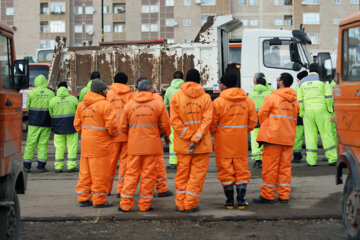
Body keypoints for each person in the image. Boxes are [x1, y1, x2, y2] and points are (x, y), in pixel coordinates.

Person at [119, 79, 171, 212]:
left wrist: (133, 134)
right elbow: (165, 125)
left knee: (131, 174)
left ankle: (125, 204)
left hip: (134, 146)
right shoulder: (158, 104)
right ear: (149, 89)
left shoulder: (129, 105)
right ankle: (145, 205)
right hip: (152, 146)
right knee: (148, 176)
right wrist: (160, 134)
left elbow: (122, 127)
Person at [211, 73, 257, 209]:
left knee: (226, 171)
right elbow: (253, 122)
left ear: (224, 85)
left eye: (220, 83)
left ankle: (230, 201)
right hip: (240, 143)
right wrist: (242, 131)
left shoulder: (218, 102)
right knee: (242, 171)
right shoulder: (247, 101)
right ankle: (241, 200)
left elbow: (212, 124)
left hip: (222, 144)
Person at [170, 69, 213, 213]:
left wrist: (188, 136)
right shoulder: (206, 98)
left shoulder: (176, 97)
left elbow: (174, 122)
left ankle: (180, 204)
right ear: (199, 80)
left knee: (182, 175)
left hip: (183, 145)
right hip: (201, 145)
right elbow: (208, 121)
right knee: (197, 177)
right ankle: (190, 204)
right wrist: (196, 138)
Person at [253, 73, 299, 204]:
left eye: (278, 79)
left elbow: (261, 114)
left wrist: (268, 127)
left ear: (281, 82)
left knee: (270, 168)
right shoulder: (294, 100)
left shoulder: (272, 97)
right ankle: (284, 195)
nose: (277, 81)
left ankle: (267, 195)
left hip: (273, 138)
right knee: (285, 168)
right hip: (288, 138)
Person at [74, 79, 118, 208]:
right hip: (100, 144)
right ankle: (99, 200)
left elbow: (77, 125)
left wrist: (87, 133)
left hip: (86, 144)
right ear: (101, 91)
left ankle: (83, 198)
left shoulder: (81, 105)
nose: (107, 92)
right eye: (105, 90)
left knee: (85, 173)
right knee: (99, 173)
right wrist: (113, 134)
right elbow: (112, 126)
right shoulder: (105, 105)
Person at [134, 77, 173, 198]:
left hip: (135, 140)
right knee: (158, 165)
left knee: (132, 169)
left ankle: (124, 194)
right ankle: (161, 189)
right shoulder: (157, 99)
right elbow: (164, 121)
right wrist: (166, 135)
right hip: (153, 139)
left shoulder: (132, 99)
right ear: (149, 88)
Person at [298, 63, 337, 166]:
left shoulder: (302, 82)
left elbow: (300, 100)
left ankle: (311, 161)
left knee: (310, 136)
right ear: (319, 70)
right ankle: (332, 159)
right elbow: (328, 96)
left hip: (308, 112)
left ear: (309, 70)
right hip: (322, 110)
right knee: (326, 134)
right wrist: (329, 109)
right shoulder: (323, 80)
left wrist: (302, 112)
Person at [105, 72, 132, 196]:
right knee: (125, 163)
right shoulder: (130, 95)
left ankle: (106, 189)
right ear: (126, 81)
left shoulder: (109, 94)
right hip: (126, 133)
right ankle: (121, 190)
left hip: (112, 133)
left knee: (110, 163)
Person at [23, 74, 55, 173]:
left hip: (33, 122)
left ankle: (26, 166)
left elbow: (28, 107)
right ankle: (41, 166)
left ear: (36, 82)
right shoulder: (51, 94)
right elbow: (52, 108)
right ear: (45, 82)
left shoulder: (32, 93)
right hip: (46, 122)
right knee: (43, 144)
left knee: (30, 144)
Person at [49, 82, 79, 173]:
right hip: (71, 127)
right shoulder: (73, 99)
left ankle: (58, 167)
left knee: (59, 148)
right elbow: (78, 113)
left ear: (58, 88)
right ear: (67, 88)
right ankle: (71, 167)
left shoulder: (53, 100)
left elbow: (51, 114)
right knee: (72, 147)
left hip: (58, 128)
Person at [248, 74, 272, 168]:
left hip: (254, 119)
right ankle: (264, 158)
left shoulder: (251, 93)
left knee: (254, 140)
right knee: (264, 139)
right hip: (265, 120)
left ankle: (257, 160)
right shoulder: (269, 94)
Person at [164, 71, 184, 169]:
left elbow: (165, 105)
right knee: (183, 138)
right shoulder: (184, 89)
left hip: (173, 118)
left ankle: (173, 161)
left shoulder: (169, 90)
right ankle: (183, 160)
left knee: (173, 139)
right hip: (184, 118)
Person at [292, 70, 308, 163]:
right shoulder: (312, 85)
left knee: (298, 136)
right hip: (309, 111)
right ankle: (310, 155)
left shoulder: (297, 87)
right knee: (310, 135)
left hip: (299, 113)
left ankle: (297, 156)